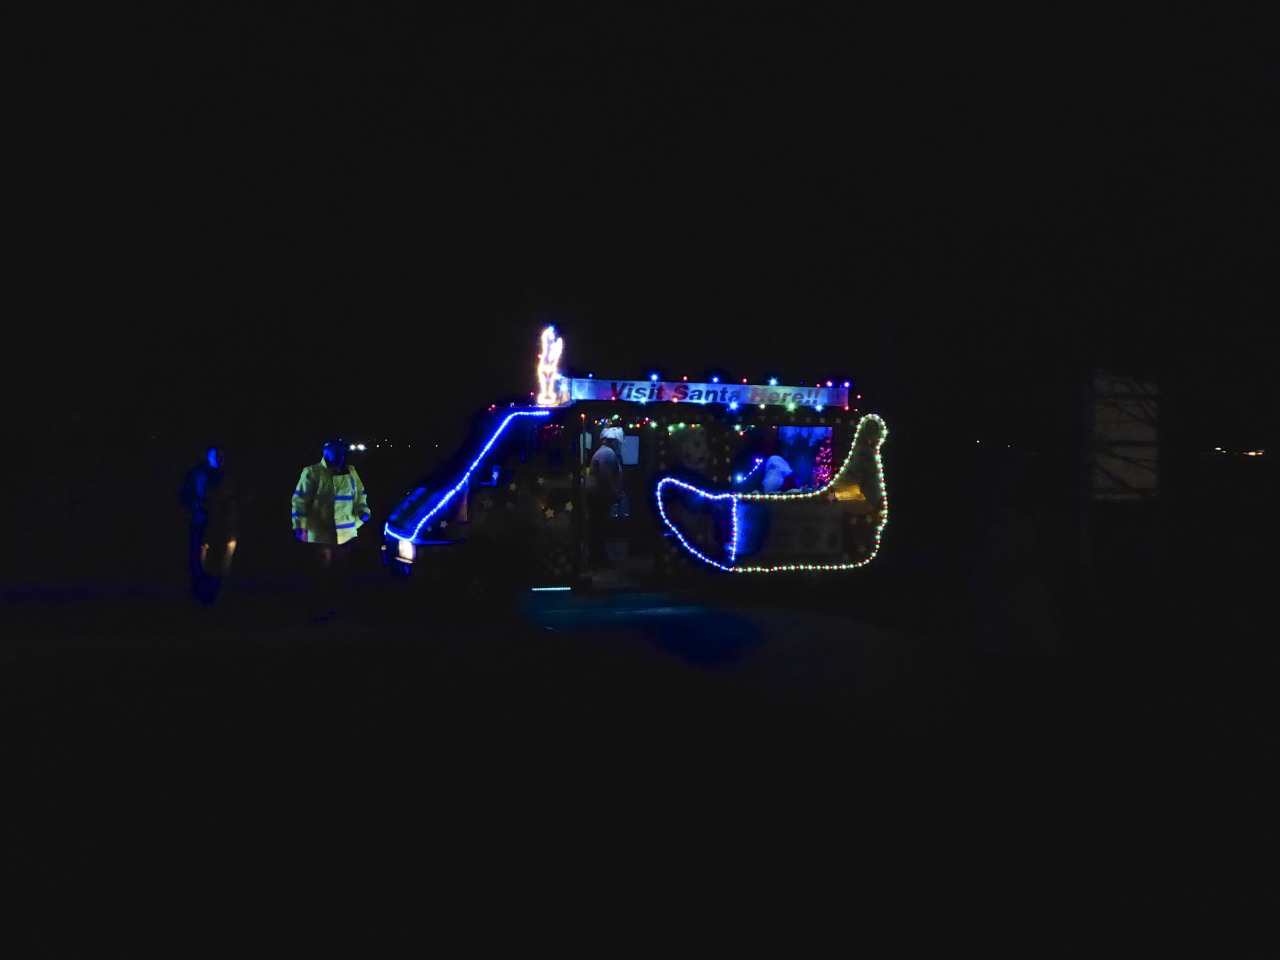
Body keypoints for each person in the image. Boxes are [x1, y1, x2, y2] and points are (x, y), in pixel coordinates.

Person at [292, 438, 371, 620]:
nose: (340, 457)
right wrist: (300, 526)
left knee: (340, 573)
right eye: (336, 454)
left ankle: (337, 609)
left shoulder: (351, 472)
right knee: (322, 574)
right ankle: (321, 608)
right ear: (326, 454)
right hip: (321, 535)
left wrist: (362, 515)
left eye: (341, 453)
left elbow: (360, 496)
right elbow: (299, 501)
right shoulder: (312, 472)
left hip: (346, 534)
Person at [179, 445, 239, 605]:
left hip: (222, 525)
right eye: (216, 456)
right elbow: (186, 496)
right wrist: (198, 506)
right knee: (201, 557)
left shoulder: (227, 476)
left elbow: (233, 499)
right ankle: (201, 591)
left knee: (221, 557)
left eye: (221, 456)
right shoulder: (199, 475)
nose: (219, 459)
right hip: (204, 522)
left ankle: (217, 590)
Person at [585, 426, 624, 569]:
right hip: (599, 496)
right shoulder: (607, 453)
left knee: (597, 527)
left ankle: (597, 556)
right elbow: (605, 475)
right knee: (599, 528)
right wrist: (615, 492)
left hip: (598, 495)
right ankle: (597, 558)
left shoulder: (603, 452)